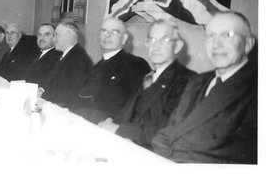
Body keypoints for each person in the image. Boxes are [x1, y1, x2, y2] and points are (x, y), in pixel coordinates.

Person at [151, 11, 257, 164]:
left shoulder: (257, 88)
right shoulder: (198, 81)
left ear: (247, 44)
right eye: (211, 36)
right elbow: (167, 133)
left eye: (227, 35)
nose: (216, 44)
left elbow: (241, 158)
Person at [106, 19, 196, 149]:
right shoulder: (148, 77)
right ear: (147, 44)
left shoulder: (187, 80)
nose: (156, 47)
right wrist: (111, 123)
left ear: (177, 46)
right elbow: (127, 113)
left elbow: (169, 131)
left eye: (164, 41)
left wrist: (119, 129)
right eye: (152, 40)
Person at [76, 17, 151, 124]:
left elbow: (138, 107)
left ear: (124, 38)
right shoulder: (96, 66)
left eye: (114, 32)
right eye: (104, 31)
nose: (107, 35)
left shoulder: (136, 64)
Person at [42, 22, 93, 111]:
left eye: (56, 35)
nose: (53, 40)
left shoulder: (78, 58)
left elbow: (70, 95)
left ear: (68, 35)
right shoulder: (70, 55)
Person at [24, 23, 62, 87]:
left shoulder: (57, 57)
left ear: (55, 37)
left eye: (47, 35)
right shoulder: (35, 53)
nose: (42, 38)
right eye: (40, 34)